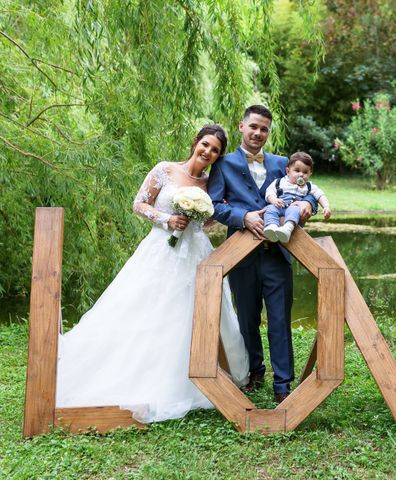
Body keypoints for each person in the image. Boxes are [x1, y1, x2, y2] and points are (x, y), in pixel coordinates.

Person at [56, 125, 250, 423]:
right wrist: (167, 219)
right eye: (206, 145)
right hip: (162, 250)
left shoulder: (212, 183)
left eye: (215, 151)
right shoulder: (165, 170)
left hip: (197, 251)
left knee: (197, 310)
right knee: (147, 307)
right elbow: (138, 204)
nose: (208, 152)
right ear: (195, 142)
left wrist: (196, 220)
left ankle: (204, 372)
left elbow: (213, 218)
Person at [207, 105, 317, 403]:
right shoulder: (224, 164)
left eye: (264, 129)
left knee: (280, 319)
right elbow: (214, 205)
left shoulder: (285, 163)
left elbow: (308, 191)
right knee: (247, 318)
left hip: (278, 253)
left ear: (269, 132)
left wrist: (309, 206)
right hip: (240, 255)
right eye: (253, 126)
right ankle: (256, 370)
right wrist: (244, 217)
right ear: (241, 126)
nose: (258, 133)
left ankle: (283, 384)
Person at [263, 151, 331, 243]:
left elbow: (320, 195)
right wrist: (274, 200)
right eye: (297, 170)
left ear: (310, 174)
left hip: (294, 210)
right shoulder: (279, 182)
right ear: (288, 171)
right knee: (270, 209)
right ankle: (271, 227)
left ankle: (287, 228)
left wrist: (326, 206)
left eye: (305, 172)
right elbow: (269, 192)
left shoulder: (309, 186)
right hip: (280, 206)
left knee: (294, 210)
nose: (301, 174)